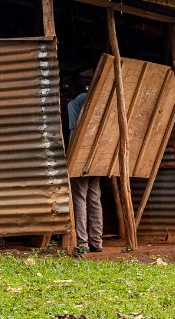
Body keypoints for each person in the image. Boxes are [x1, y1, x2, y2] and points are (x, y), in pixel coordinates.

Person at [67, 86, 103, 254]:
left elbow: (74, 131)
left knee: (80, 197)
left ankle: (83, 243)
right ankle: (97, 242)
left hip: (82, 153)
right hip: (99, 154)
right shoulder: (103, 103)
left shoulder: (78, 101)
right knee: (94, 198)